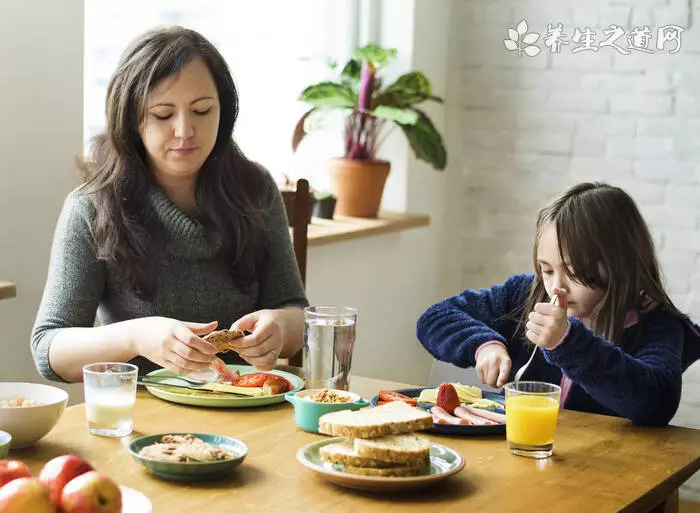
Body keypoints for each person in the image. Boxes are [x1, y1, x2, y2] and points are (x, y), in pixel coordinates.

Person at [31, 27, 307, 383]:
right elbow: (48, 348)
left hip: (250, 409)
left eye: (202, 110)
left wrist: (281, 327)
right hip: (143, 421)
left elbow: (297, 310)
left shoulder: (254, 189)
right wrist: (135, 337)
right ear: (131, 118)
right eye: (163, 115)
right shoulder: (93, 206)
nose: (185, 130)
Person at [417, 182, 700, 426]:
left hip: (609, 476)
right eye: (547, 269)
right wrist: (483, 345)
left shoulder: (657, 325)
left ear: (619, 266)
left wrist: (567, 342)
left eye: (575, 272)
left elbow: (656, 402)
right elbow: (435, 317)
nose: (556, 287)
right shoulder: (526, 295)